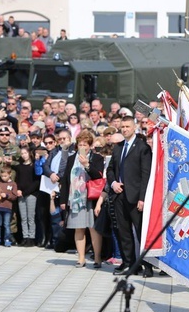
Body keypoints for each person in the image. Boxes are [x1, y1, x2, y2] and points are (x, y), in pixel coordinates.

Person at [107, 115, 152, 276]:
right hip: (120, 195)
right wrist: (113, 183)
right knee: (124, 231)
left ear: (134, 128)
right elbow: (110, 169)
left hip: (136, 197)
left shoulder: (142, 147)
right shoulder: (118, 147)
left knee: (141, 232)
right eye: (123, 127)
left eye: (127, 126)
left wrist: (142, 198)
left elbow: (146, 175)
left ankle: (148, 265)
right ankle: (129, 263)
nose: (125, 129)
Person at [59, 130, 105, 268]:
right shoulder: (72, 158)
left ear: (90, 146)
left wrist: (87, 165)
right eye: (80, 144)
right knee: (78, 228)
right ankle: (81, 258)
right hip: (75, 199)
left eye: (85, 144)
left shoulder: (96, 158)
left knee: (93, 228)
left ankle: (97, 258)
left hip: (90, 197)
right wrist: (63, 200)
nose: (82, 147)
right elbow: (66, 179)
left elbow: (98, 177)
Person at [0, 166, 18, 247]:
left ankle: (7, 239)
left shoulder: (13, 184)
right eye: (2, 176)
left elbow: (14, 196)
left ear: (10, 174)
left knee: (6, 224)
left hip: (7, 208)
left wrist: (6, 195)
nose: (3, 178)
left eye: (5, 176)